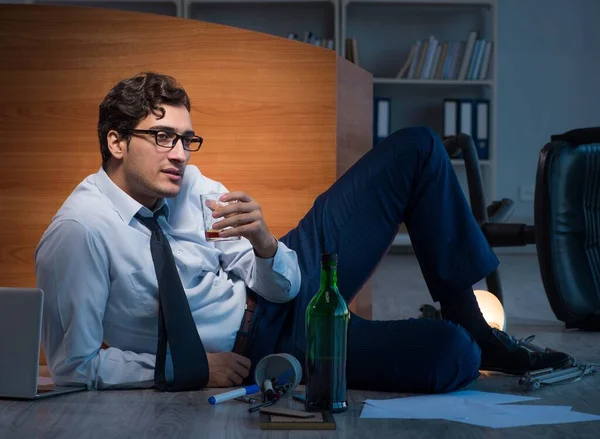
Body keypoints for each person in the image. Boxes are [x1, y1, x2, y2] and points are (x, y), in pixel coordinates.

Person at [35, 72, 571, 393]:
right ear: (116, 141)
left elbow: (282, 286)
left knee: (419, 148)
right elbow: (75, 368)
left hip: (283, 283)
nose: (179, 154)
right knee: (452, 357)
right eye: (163, 137)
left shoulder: (190, 185)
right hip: (272, 347)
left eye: (186, 139)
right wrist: (192, 368)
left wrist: (266, 244)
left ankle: (476, 325)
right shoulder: (80, 233)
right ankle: (459, 339)